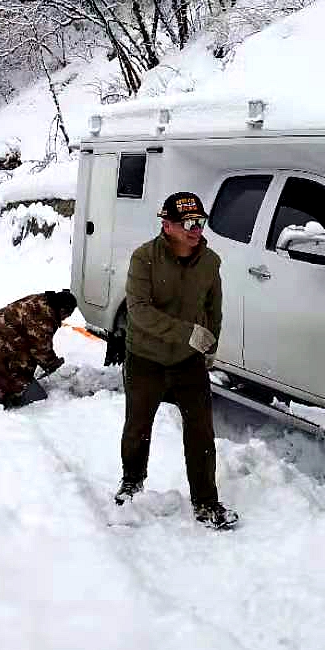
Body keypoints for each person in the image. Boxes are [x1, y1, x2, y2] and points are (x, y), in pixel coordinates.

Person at [116, 191, 238, 529]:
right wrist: (189, 333)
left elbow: (214, 308)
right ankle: (132, 482)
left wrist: (209, 344)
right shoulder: (144, 259)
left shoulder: (210, 262)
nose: (194, 229)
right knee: (138, 427)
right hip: (146, 358)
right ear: (167, 225)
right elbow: (138, 312)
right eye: (187, 223)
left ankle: (206, 502)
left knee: (201, 432)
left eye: (199, 222)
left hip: (188, 362)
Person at [0, 289, 78, 408]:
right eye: (67, 315)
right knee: (36, 396)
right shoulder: (44, 317)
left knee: (25, 362)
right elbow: (41, 350)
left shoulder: (41, 300)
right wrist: (52, 363)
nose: (65, 319)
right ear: (62, 310)